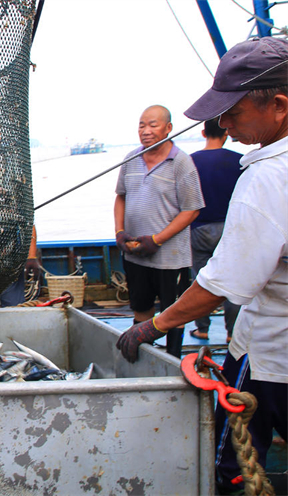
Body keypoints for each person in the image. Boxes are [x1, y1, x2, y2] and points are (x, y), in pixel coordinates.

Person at [116, 37, 287, 494]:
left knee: (231, 456)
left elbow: (222, 283)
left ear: (279, 105)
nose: (225, 125)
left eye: (234, 112)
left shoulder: (270, 174)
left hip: (273, 353)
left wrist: (151, 327)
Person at [113, 104, 205, 358]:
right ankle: (140, 357)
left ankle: (173, 361)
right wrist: (120, 232)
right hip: (134, 254)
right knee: (141, 308)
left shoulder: (182, 162)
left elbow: (192, 209)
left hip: (170, 258)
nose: (146, 131)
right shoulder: (131, 159)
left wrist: (157, 239)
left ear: (168, 128)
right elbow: (121, 197)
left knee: (173, 312)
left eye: (153, 125)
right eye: (142, 125)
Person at [188, 119, 243, 342]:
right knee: (233, 281)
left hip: (199, 229)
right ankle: (232, 333)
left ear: (203, 132)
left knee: (200, 281)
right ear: (226, 133)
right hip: (230, 230)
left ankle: (202, 329)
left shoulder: (190, 162)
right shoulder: (238, 160)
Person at [0, 225, 42, 306]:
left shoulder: (13, 213)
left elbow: (29, 225)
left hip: (9, 261)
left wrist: (31, 257)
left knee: (12, 305)